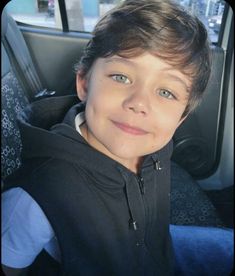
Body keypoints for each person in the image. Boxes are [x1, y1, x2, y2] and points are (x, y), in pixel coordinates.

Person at [1, 0, 233, 275]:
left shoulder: (155, 144)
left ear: (180, 119)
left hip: (157, 250)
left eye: (166, 92)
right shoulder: (35, 197)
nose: (139, 103)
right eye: (121, 77)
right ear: (85, 83)